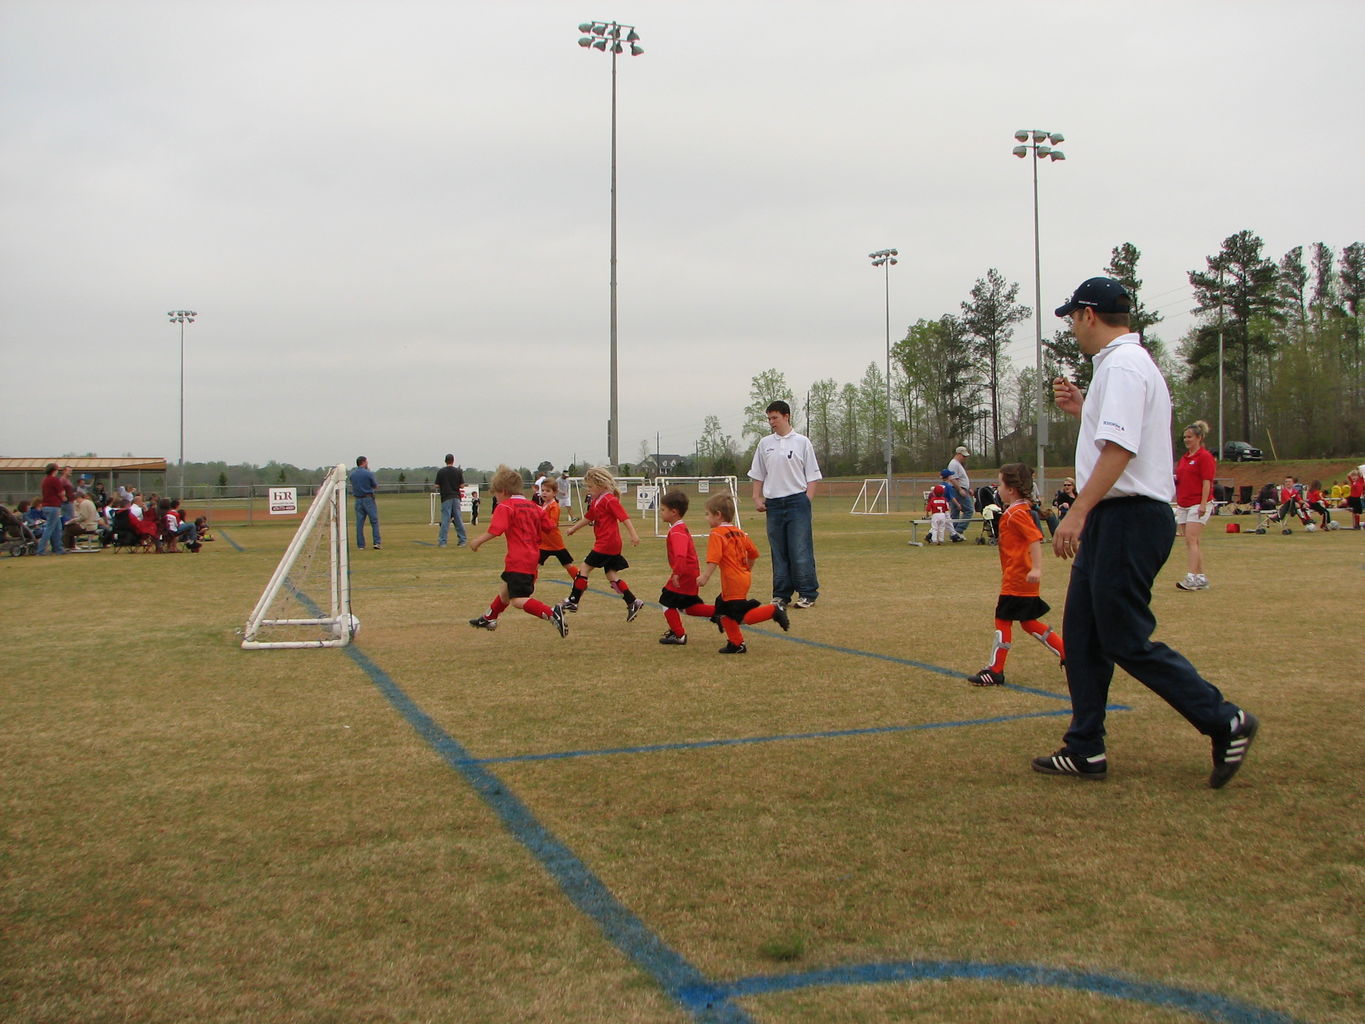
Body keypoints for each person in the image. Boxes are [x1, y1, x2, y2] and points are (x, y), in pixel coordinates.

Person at [1039, 276, 1257, 788]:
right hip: (1122, 517)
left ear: (1089, 315)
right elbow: (1117, 433)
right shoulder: (1122, 367)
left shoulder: (1122, 365)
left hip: (1128, 517)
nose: (1072, 327)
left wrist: (1076, 512)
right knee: (1085, 637)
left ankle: (1224, 719)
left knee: (1124, 638)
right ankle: (1085, 748)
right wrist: (1084, 407)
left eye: (1073, 317)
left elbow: (1120, 451)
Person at [969, 463, 1066, 687]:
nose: (998, 488)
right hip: (1019, 577)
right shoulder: (1015, 511)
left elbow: (1034, 539)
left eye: (1000, 483)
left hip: (1018, 578)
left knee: (1003, 619)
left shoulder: (1016, 513)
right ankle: (1067, 653)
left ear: (1011, 489)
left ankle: (995, 670)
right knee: (1028, 622)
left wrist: (1037, 568)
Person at [467, 465, 568, 637]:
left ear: (504, 491)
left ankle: (551, 612)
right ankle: (489, 617)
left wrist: (477, 541)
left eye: (496, 494)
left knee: (517, 600)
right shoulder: (534, 506)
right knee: (506, 590)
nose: (496, 499)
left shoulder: (506, 507)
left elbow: (496, 530)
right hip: (532, 557)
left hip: (518, 559)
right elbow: (550, 527)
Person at [694, 492, 789, 654]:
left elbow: (714, 559)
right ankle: (736, 643)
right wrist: (746, 569)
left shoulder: (716, 533)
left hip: (733, 581)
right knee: (722, 608)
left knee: (740, 616)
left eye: (707, 514)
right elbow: (753, 553)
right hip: (742, 578)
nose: (706, 518)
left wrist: (705, 576)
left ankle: (773, 610)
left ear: (718, 515)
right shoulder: (739, 532)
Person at [748, 400, 822, 608]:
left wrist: (806, 499)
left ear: (786, 416)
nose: (772, 422)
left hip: (797, 501)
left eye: (775, 418)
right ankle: (781, 594)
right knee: (778, 551)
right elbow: (758, 473)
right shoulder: (765, 444)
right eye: (769, 419)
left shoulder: (802, 442)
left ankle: (807, 593)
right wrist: (757, 497)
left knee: (800, 549)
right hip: (773, 504)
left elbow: (813, 476)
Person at [563, 466, 643, 619]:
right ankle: (632, 601)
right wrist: (573, 529)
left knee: (585, 568)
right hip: (610, 544)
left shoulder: (609, 500)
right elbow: (589, 517)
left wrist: (633, 534)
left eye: (590, 486)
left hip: (606, 543)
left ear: (601, 485)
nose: (588, 489)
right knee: (611, 574)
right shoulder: (597, 501)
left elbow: (624, 517)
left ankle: (573, 600)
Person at [655, 490, 710, 646]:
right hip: (689, 572)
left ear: (674, 512)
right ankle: (719, 613)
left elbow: (680, 555)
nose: (660, 512)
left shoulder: (677, 531)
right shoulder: (679, 528)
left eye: (663, 509)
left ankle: (679, 635)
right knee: (689, 607)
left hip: (685, 573)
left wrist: (677, 573)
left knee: (666, 600)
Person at [1174, 419, 1217, 591]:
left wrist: (1203, 504)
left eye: (1189, 437)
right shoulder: (1184, 459)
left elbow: (1207, 481)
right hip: (1184, 503)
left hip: (1198, 503)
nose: (1186, 440)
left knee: (1192, 539)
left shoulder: (1205, 457)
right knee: (1192, 541)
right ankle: (1200, 576)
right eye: (1185, 437)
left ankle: (1191, 576)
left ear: (1198, 438)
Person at [536, 477, 582, 593]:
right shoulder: (544, 505)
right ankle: (527, 586)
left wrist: (540, 520)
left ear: (555, 493)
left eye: (547, 491)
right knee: (535, 564)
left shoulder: (554, 506)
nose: (544, 493)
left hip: (555, 543)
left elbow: (551, 524)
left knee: (567, 564)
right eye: (543, 490)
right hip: (543, 543)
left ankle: (581, 582)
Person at [434, 454, 468, 547]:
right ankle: (462, 540)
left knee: (445, 520)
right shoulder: (458, 471)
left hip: (446, 497)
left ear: (445, 461)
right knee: (458, 519)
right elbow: (462, 485)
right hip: (456, 497)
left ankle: (443, 542)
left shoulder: (441, 472)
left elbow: (436, 485)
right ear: (453, 461)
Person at [350, 456, 381, 549]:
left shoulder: (352, 474)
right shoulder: (368, 473)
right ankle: (376, 542)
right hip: (368, 499)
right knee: (374, 521)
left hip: (358, 499)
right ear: (364, 462)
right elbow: (375, 486)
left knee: (359, 523)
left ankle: (361, 545)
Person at [944, 446, 974, 539]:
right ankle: (958, 531)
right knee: (969, 510)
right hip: (957, 490)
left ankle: (954, 534)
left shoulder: (957, 464)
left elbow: (960, 478)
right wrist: (960, 489)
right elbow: (953, 479)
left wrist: (968, 488)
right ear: (958, 454)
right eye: (963, 456)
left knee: (955, 512)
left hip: (958, 489)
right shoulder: (954, 464)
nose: (965, 458)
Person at [36, 463, 65, 555]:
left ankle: (58, 549)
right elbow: (61, 493)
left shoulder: (45, 480)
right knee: (49, 529)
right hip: (53, 506)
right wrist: (64, 498)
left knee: (57, 528)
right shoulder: (54, 480)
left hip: (46, 506)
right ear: (54, 470)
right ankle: (41, 550)